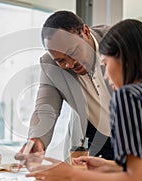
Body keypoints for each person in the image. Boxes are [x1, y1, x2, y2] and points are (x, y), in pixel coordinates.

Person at [26, 19, 142, 181]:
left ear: (124, 58)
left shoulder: (129, 96)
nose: (106, 78)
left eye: (105, 62)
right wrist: (114, 166)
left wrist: (71, 176)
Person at [17, 10, 114, 162]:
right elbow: (45, 108)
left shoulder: (118, 39)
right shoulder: (50, 64)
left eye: (73, 52)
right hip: (95, 139)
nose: (70, 64)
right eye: (61, 61)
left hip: (137, 135)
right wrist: (36, 141)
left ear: (86, 32)